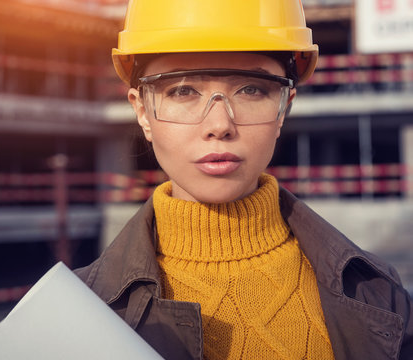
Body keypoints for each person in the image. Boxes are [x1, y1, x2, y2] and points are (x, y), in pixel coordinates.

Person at [74, 1, 413, 359]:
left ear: (285, 107)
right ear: (141, 110)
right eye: (183, 91)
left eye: (251, 90)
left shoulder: (377, 293)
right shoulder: (78, 314)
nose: (220, 124)